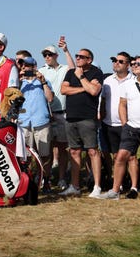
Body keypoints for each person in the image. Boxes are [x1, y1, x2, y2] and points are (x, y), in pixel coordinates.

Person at [98, 56, 140, 204]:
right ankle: (115, 191)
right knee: (121, 156)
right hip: (131, 127)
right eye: (134, 64)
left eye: (139, 64)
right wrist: (125, 123)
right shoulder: (128, 84)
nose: (135, 66)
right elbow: (122, 104)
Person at [59, 48, 104, 197]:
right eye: (76, 56)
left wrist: (82, 78)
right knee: (74, 151)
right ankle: (75, 186)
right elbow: (63, 90)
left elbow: (93, 91)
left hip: (87, 118)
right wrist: (83, 87)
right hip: (71, 117)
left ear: (89, 60)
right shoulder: (71, 72)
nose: (77, 58)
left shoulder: (96, 73)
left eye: (81, 57)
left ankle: (97, 187)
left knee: (92, 151)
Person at [100, 52, 138, 198]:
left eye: (120, 61)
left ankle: (134, 187)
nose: (116, 63)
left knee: (131, 157)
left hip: (128, 125)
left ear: (128, 64)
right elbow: (103, 101)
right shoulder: (108, 80)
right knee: (116, 156)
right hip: (109, 124)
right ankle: (119, 185)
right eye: (115, 60)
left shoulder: (133, 80)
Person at [38, 40, 74, 190]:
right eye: (45, 54)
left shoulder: (64, 68)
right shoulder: (41, 71)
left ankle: (61, 178)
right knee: (46, 149)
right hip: (47, 114)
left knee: (62, 147)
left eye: (50, 54)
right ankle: (44, 178)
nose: (47, 57)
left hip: (62, 112)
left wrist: (66, 50)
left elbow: (73, 69)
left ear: (55, 55)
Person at [18, 56, 54, 193]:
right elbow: (13, 99)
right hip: (24, 121)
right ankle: (28, 182)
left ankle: (46, 180)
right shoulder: (19, 82)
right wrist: (19, 82)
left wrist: (43, 82)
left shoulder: (43, 81)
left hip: (41, 121)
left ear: (34, 66)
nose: (26, 68)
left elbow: (50, 98)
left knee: (45, 154)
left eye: (29, 66)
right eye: (24, 66)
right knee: (25, 156)